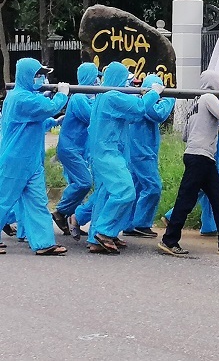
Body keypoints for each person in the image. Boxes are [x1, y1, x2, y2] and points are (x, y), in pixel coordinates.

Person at [158, 70, 219, 256]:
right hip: (201, 157)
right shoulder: (208, 97)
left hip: (197, 154)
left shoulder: (196, 103)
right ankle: (169, 239)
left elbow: (184, 135)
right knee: (186, 199)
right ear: (213, 84)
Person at [86, 62, 163, 254]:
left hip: (108, 152)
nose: (129, 85)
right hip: (108, 154)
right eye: (126, 81)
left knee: (106, 195)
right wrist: (154, 93)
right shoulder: (112, 96)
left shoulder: (105, 97)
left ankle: (97, 237)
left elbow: (135, 116)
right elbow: (139, 108)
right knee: (125, 192)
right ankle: (103, 232)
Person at [0, 58, 69, 255]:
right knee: (3, 200)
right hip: (15, 159)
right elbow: (47, 107)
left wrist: (54, 121)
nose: (41, 78)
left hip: (30, 161)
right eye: (38, 74)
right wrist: (62, 96)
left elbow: (36, 122)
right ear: (26, 75)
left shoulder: (25, 96)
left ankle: (43, 243)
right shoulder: (21, 98)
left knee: (37, 202)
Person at [123, 74, 176, 237]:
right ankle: (141, 223)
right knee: (153, 187)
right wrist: (169, 99)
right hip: (142, 153)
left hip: (140, 151)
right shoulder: (146, 103)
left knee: (137, 188)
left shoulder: (139, 101)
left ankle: (130, 223)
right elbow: (159, 114)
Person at [51, 62, 99, 234]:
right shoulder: (79, 98)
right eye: (95, 79)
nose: (98, 82)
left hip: (76, 149)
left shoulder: (85, 98)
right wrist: (101, 102)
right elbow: (92, 117)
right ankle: (60, 211)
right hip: (69, 149)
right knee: (84, 182)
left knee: (78, 182)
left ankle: (68, 216)